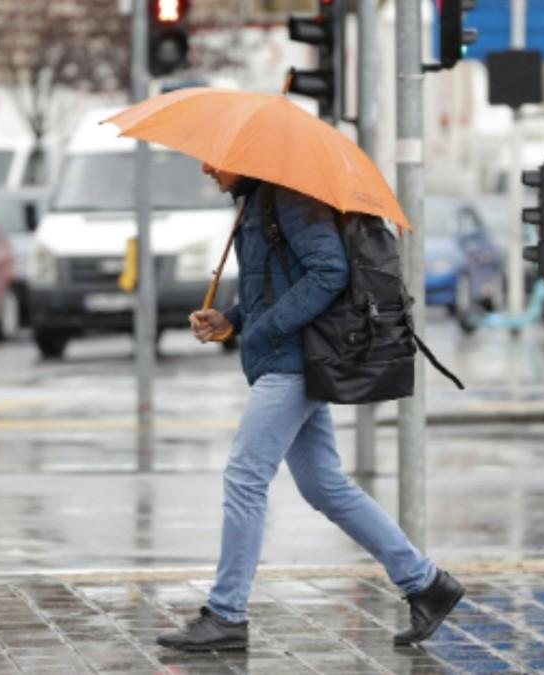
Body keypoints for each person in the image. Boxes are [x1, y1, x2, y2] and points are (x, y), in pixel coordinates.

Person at [156, 164, 464, 653]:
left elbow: (330, 271)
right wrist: (231, 320)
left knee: (245, 477)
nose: (207, 168)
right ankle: (426, 584)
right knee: (325, 485)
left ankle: (227, 613)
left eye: (216, 160)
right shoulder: (258, 203)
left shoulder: (289, 199)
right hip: (286, 359)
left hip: (292, 363)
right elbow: (277, 285)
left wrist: (268, 328)